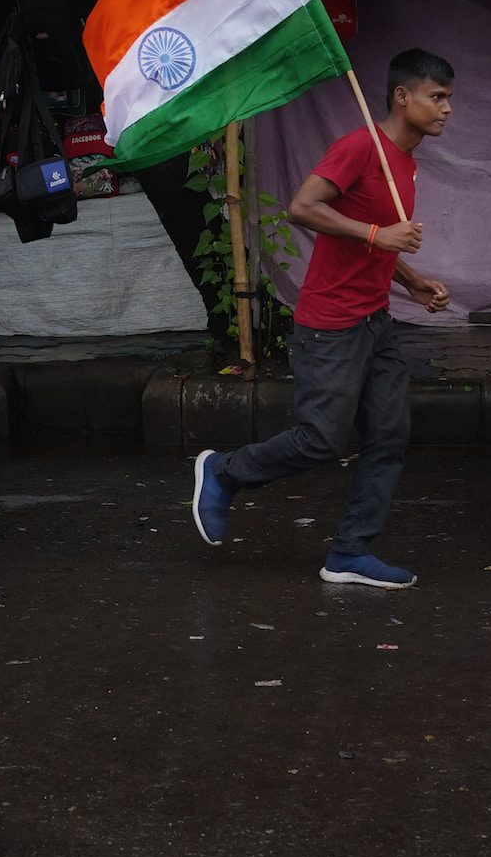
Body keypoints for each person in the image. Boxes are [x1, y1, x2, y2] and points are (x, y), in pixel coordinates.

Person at [188, 50, 454, 590]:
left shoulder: (404, 162)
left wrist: (410, 281)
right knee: (321, 439)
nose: (447, 108)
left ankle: (351, 552)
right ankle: (223, 471)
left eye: (448, 98)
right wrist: (379, 235)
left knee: (389, 435)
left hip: (375, 321)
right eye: (437, 97)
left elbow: (374, 240)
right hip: (330, 325)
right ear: (402, 97)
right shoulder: (361, 147)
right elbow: (302, 207)